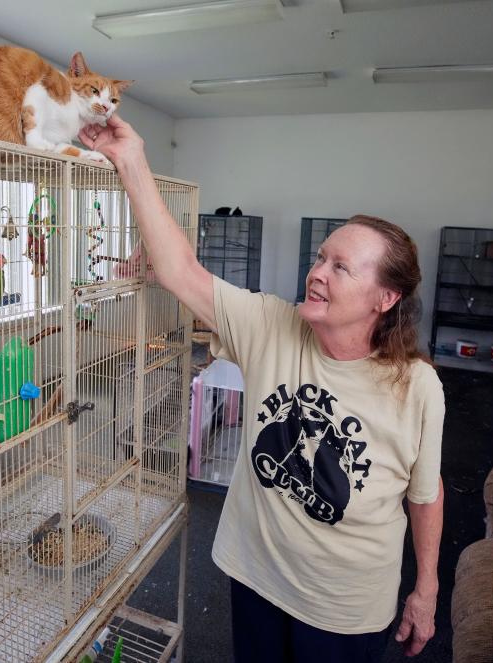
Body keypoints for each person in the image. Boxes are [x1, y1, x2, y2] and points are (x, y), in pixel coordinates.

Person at [80, 116, 444, 662]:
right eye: (320, 257)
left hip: (344, 608)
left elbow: (425, 492)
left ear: (384, 299)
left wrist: (427, 587)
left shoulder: (416, 385)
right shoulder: (272, 325)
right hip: (256, 578)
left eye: (340, 267)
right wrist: (130, 160)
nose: (316, 272)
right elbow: (183, 272)